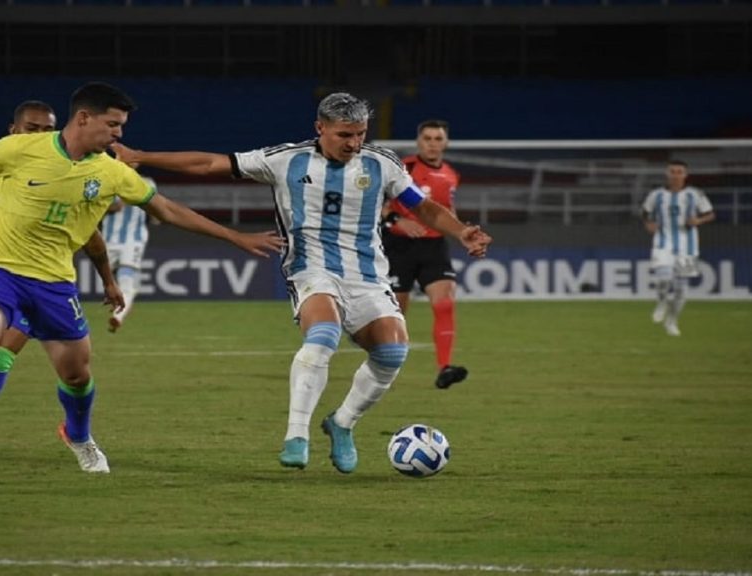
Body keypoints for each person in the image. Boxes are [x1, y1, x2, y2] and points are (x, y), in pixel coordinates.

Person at [0, 81, 284, 482]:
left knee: (77, 376)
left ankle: (78, 434)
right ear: (84, 118)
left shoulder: (111, 173)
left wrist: (234, 237)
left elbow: (165, 210)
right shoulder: (20, 149)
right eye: (113, 124)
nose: (119, 134)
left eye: (121, 126)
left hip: (53, 284)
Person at [112, 92, 491, 474]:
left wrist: (461, 231)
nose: (354, 143)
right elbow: (210, 163)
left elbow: (422, 206)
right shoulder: (285, 159)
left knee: (392, 353)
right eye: (344, 134)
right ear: (320, 127)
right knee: (323, 335)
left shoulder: (382, 163)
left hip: (368, 275)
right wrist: (140, 156)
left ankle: (342, 423)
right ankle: (297, 435)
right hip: (311, 269)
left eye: (360, 134)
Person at [0, 100, 124, 452]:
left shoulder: (62, 175)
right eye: (32, 129)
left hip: (39, 284)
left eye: (47, 130)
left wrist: (108, 279)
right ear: (13, 130)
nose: (39, 135)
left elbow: (90, 232)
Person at [380, 119, 468, 390]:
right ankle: (381, 369)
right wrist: (397, 221)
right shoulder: (403, 168)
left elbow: (446, 211)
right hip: (399, 246)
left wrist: (463, 234)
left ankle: (445, 367)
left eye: (438, 139)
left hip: (434, 246)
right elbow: (377, 204)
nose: (432, 144)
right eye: (427, 138)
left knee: (445, 303)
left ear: (446, 143)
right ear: (419, 141)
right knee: (395, 314)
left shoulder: (451, 175)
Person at [641, 159, 715, 337]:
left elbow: (710, 214)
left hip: (688, 246)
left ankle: (672, 321)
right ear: (667, 174)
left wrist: (698, 220)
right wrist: (648, 224)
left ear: (685, 174)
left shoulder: (695, 194)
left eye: (679, 172)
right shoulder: (656, 195)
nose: (675, 175)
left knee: (681, 289)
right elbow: (645, 213)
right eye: (672, 171)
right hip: (662, 242)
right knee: (663, 279)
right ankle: (662, 303)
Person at [101, 174, 157, 333]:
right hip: (108, 239)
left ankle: (118, 317)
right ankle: (124, 304)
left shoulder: (147, 182)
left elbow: (155, 209)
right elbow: (107, 207)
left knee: (127, 280)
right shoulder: (108, 178)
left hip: (134, 240)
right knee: (111, 283)